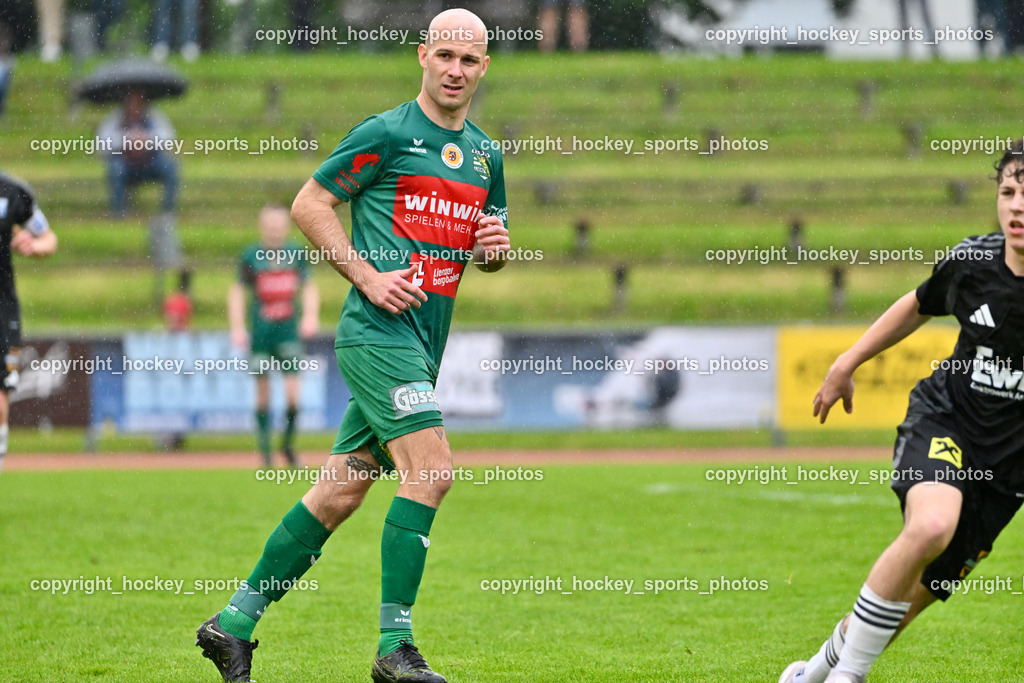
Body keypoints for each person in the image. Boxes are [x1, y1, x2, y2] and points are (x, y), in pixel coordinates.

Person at [195, 8, 508, 682]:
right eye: (445, 56)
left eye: (470, 60)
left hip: (423, 343)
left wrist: (492, 252)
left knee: (340, 492)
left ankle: (233, 623)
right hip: (376, 333)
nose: (456, 70)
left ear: (485, 67)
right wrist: (366, 274)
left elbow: (488, 251)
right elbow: (310, 203)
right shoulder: (387, 132)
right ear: (422, 56)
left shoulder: (486, 155)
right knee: (432, 469)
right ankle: (395, 647)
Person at [780, 139, 1024, 683]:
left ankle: (815, 671)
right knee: (932, 525)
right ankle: (848, 679)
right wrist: (848, 361)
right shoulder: (972, 263)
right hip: (947, 421)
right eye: (1008, 192)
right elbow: (917, 305)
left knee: (910, 600)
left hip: (1009, 471)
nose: (1016, 206)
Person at [228, 205, 319, 468]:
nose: (274, 229)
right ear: (262, 226)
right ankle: (266, 453)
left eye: (279, 224)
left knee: (293, 397)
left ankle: (287, 447)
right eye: (270, 224)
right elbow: (237, 291)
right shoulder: (250, 255)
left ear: (286, 226)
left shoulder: (296, 253)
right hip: (261, 334)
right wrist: (237, 326)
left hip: (288, 333)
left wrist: (310, 316)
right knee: (263, 394)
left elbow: (309, 286)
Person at [0, 171, 57, 473]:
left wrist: (35, 246)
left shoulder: (12, 192)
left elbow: (48, 238)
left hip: (2, 311)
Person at [97, 89, 179, 219]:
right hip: (125, 165)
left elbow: (169, 137)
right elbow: (102, 144)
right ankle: (118, 211)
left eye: (138, 103)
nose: (134, 107)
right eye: (131, 103)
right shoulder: (115, 119)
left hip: (149, 163)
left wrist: (147, 139)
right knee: (115, 169)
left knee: (170, 167)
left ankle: (167, 211)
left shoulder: (154, 116)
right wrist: (127, 139)